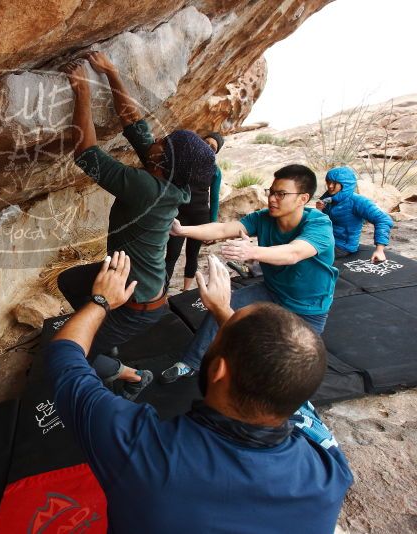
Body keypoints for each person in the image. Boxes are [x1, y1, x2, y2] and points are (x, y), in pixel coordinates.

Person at [47, 251, 353, 533]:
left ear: (219, 371)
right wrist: (223, 312)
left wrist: (100, 301)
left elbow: (63, 359)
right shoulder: (330, 472)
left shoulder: (143, 452)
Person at [56, 51, 214, 400]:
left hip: (137, 304)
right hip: (136, 284)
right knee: (68, 281)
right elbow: (134, 123)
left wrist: (81, 90)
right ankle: (107, 339)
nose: (156, 140)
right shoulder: (170, 175)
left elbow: (86, 153)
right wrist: (111, 72)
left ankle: (133, 375)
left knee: (73, 349)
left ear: (162, 159)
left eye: (163, 143)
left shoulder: (148, 189)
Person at [161, 164, 338, 383]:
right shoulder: (264, 218)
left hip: (308, 307)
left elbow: (294, 252)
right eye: (271, 192)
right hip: (271, 291)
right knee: (221, 305)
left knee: (290, 368)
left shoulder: (319, 225)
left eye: (281, 194)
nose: (272, 199)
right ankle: (190, 363)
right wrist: (182, 231)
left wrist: (252, 251)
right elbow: (224, 229)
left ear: (303, 198)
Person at [164, 131, 223, 290]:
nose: (209, 147)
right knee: (172, 254)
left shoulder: (215, 171)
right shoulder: (185, 160)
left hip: (200, 217)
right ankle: (163, 291)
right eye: (207, 142)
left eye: (213, 147)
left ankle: (185, 290)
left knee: (192, 255)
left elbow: (215, 198)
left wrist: (213, 225)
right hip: (180, 215)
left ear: (216, 152)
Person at [317, 166, 394, 262]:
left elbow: (383, 219)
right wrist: (320, 210)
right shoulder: (328, 198)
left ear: (345, 184)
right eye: (328, 182)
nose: (330, 186)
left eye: (335, 183)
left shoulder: (357, 201)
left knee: (307, 257)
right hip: (327, 239)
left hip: (343, 246)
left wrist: (379, 250)